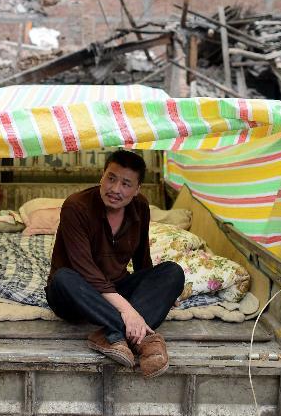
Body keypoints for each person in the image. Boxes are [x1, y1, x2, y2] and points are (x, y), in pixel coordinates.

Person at [45, 149, 185, 379]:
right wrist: (128, 310)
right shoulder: (76, 207)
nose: (115, 189)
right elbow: (85, 271)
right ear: (102, 176)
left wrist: (159, 292)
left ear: (138, 189)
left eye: (126, 183)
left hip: (115, 288)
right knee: (63, 278)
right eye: (111, 178)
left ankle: (109, 334)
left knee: (173, 272)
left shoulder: (140, 207)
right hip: (75, 295)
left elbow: (142, 259)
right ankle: (146, 340)